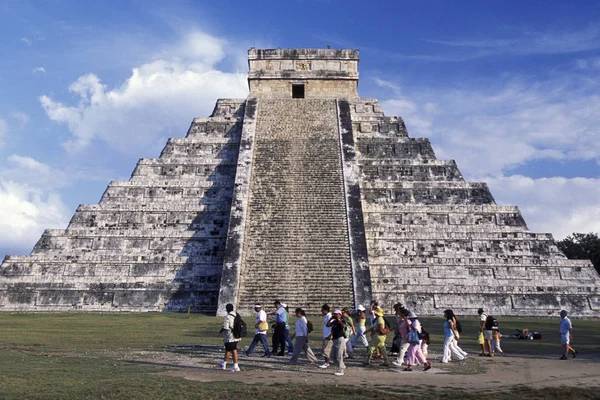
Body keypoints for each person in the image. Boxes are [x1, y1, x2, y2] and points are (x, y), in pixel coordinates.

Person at [217, 303, 241, 372]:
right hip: (237, 335)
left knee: (233, 350)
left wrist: (220, 332)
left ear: (227, 309)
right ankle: (224, 363)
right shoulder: (237, 315)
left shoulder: (228, 317)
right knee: (230, 349)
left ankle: (235, 366)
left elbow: (225, 327)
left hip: (230, 336)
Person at [328, 309, 347, 376]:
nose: (335, 315)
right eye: (334, 314)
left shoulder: (342, 320)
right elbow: (328, 325)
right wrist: (330, 319)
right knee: (332, 356)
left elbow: (344, 326)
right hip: (334, 340)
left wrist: (339, 320)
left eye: (336, 314)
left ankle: (341, 370)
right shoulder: (334, 321)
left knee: (339, 356)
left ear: (340, 315)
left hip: (340, 339)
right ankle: (341, 365)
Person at [318, 304, 333, 368]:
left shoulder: (329, 316)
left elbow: (332, 326)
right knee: (325, 349)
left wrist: (330, 335)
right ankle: (326, 362)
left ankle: (327, 363)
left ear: (325, 310)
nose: (321, 311)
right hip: (325, 335)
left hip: (328, 335)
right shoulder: (326, 316)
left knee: (326, 350)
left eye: (322, 310)